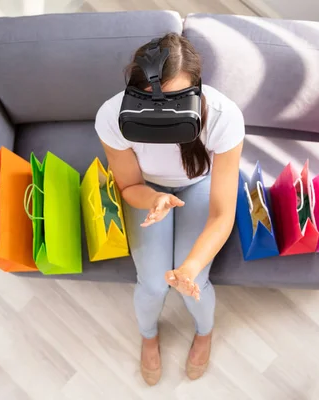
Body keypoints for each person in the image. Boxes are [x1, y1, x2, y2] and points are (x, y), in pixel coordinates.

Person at [95, 33, 245, 385]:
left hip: (199, 184)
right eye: (150, 101)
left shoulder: (224, 118)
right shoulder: (111, 117)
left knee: (193, 280)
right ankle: (148, 335)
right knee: (152, 283)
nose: (163, 113)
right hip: (149, 189)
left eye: (176, 100)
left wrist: (189, 269)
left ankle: (204, 332)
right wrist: (153, 199)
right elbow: (129, 186)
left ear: (197, 90)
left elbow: (223, 213)